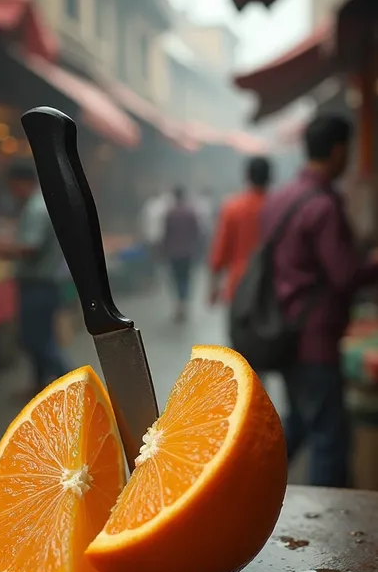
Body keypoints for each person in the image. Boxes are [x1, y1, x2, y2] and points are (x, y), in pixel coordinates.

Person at [261, 113, 378, 488]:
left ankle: (254, 488)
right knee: (329, 438)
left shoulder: (280, 198)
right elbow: (345, 274)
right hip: (316, 340)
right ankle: (329, 524)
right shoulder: (324, 206)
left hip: (284, 331)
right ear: (339, 150)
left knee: (300, 420)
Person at [0, 160, 72, 394]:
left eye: (13, 186)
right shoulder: (36, 205)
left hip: (39, 284)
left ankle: (73, 384)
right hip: (41, 283)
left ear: (22, 183)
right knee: (37, 337)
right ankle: (42, 385)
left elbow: (29, 248)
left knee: (37, 339)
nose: (12, 192)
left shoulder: (35, 208)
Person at [209, 157, 271, 306]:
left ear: (247, 177)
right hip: (271, 286)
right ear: (269, 177)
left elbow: (221, 250)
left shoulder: (232, 208)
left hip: (238, 285)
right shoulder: (278, 206)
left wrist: (213, 286)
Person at [161, 185, 201, 322]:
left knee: (176, 279)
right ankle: (183, 304)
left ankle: (179, 304)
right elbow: (196, 232)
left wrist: (164, 250)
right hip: (187, 252)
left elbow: (166, 234)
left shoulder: (170, 213)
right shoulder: (190, 213)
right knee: (186, 278)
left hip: (174, 252)